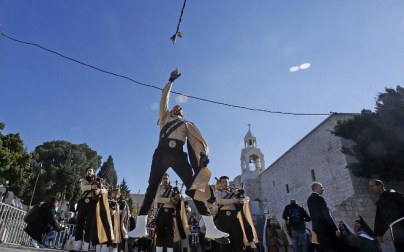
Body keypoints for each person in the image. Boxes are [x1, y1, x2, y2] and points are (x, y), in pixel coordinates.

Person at [128, 68, 228, 244]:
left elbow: (197, 140)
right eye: (175, 107)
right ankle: (141, 226)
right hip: (161, 153)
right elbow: (163, 99)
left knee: (193, 189)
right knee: (152, 186)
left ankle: (211, 228)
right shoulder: (164, 119)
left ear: (182, 113)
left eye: (179, 108)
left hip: (178, 155)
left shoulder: (187, 124)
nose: (177, 108)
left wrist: (203, 154)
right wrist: (170, 81)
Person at [72, 167, 113, 252]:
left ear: (94, 172)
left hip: (93, 204)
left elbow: (106, 191)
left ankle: (85, 247)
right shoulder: (83, 180)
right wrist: (92, 186)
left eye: (90, 171)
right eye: (87, 171)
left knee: (89, 226)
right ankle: (77, 246)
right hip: (83, 203)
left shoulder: (99, 180)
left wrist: (100, 191)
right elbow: (82, 188)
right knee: (79, 223)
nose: (88, 172)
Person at [213, 176, 247, 252]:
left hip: (233, 216)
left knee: (237, 236)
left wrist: (241, 200)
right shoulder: (218, 191)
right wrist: (233, 200)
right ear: (220, 183)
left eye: (226, 182)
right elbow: (219, 201)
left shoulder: (234, 192)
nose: (225, 183)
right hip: (222, 217)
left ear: (229, 182)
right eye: (223, 182)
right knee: (224, 239)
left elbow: (240, 200)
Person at [369, 179, 404, 251]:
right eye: (370, 187)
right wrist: (378, 234)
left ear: (380, 186)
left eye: (372, 186)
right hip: (395, 230)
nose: (370, 188)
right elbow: (379, 219)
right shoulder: (379, 203)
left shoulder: (394, 194)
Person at [307, 182, 340, 252]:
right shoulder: (319, 198)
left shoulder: (309, 199)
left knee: (320, 248)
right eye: (321, 187)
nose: (323, 189)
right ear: (316, 188)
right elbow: (326, 214)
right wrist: (336, 228)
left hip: (316, 229)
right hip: (325, 230)